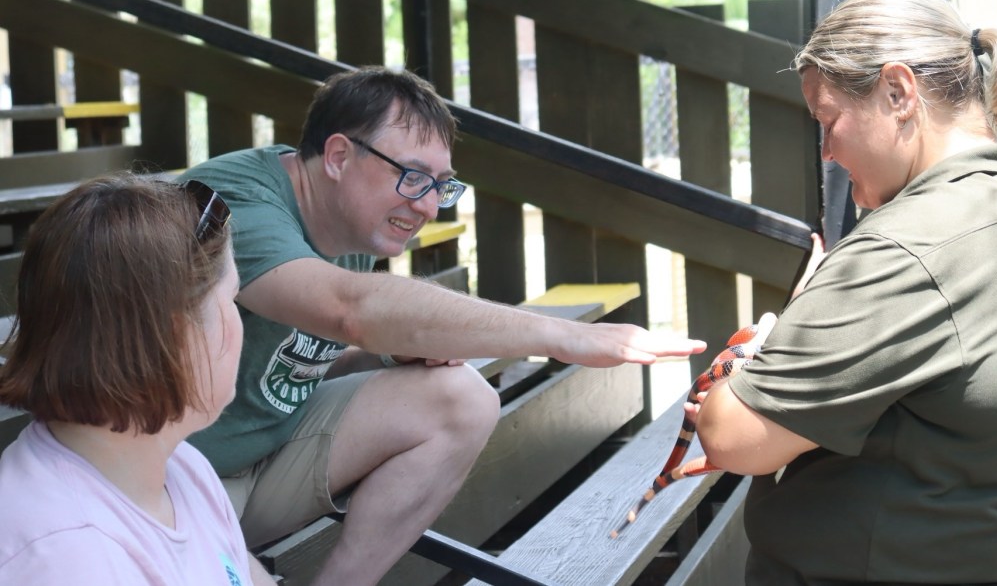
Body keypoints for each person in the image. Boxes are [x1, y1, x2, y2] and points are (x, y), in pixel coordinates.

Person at [179, 65, 706, 585]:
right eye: (411, 177)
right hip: (170, 475)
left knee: (462, 398)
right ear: (338, 156)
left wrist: (386, 356)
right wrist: (564, 335)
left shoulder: (349, 219)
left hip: (265, 457)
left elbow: (292, 356)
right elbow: (347, 308)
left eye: (440, 185)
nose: (428, 206)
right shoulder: (229, 200)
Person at [694, 0, 997, 585]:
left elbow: (732, 438)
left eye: (828, 118)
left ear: (898, 92)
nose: (824, 150)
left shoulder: (904, 250)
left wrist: (751, 361)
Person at [0, 174, 276, 585]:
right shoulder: (69, 558)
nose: (240, 324)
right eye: (230, 300)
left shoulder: (178, 466)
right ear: (178, 336)